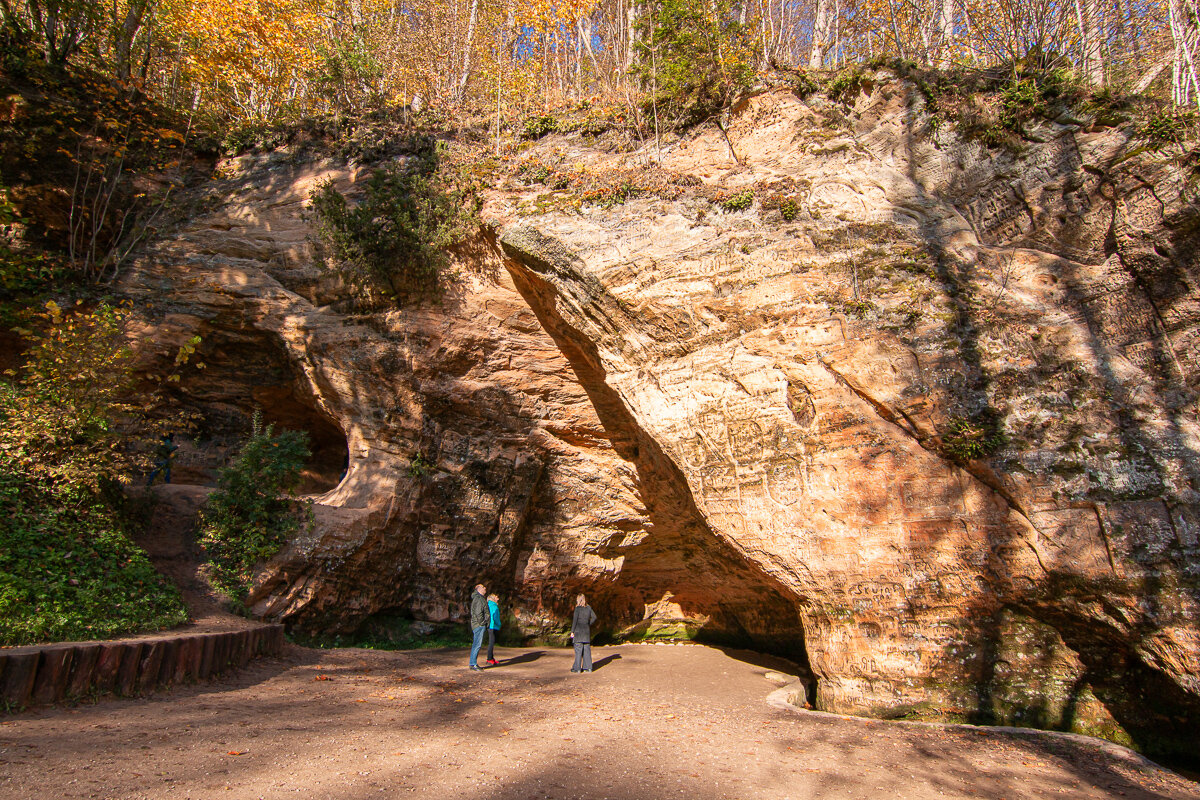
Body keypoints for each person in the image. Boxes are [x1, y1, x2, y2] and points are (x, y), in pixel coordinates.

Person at [570, 593, 597, 673]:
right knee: (586, 650)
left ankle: (577, 668)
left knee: (578, 650)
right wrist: (588, 624)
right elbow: (594, 617)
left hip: (578, 631)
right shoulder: (588, 608)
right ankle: (588, 668)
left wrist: (572, 631)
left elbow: (574, 621)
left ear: (578, 600)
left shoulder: (577, 609)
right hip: (586, 632)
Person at [468, 584, 488, 671]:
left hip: (478, 624)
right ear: (479, 589)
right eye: (483, 587)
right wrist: (482, 623)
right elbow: (478, 613)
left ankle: (472, 663)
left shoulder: (479, 598)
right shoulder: (479, 599)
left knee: (476, 644)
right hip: (479, 625)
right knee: (477, 644)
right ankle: (473, 664)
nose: (485, 588)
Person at [486, 593, 502, 666]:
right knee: (491, 643)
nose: (498, 599)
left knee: (491, 642)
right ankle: (489, 659)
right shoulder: (494, 606)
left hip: (490, 626)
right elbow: (495, 617)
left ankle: (491, 658)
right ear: (493, 598)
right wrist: (498, 624)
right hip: (493, 626)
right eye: (496, 597)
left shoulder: (488, 605)